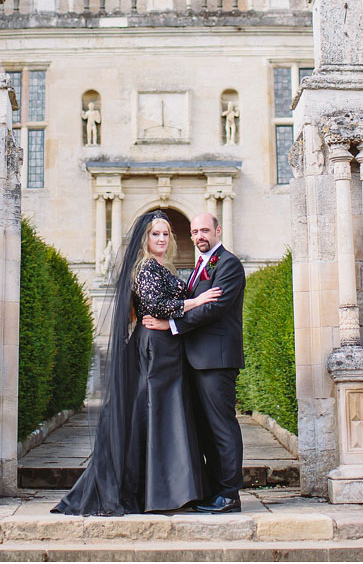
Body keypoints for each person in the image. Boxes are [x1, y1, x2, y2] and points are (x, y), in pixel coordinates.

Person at [53, 212, 221, 516]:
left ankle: (172, 491)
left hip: (167, 346)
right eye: (155, 234)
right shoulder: (145, 267)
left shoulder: (162, 266)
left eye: (165, 234)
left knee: (167, 413)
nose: (161, 239)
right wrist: (196, 301)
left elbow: (161, 307)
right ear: (145, 239)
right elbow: (155, 306)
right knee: (157, 412)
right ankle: (157, 493)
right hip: (154, 348)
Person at [142, 211, 246, 514]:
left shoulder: (228, 264)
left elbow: (214, 308)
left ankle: (229, 494)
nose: (200, 236)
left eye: (205, 231)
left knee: (222, 427)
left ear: (218, 231)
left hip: (216, 361)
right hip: (194, 360)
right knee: (203, 429)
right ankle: (212, 489)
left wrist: (171, 325)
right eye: (195, 232)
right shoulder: (201, 265)